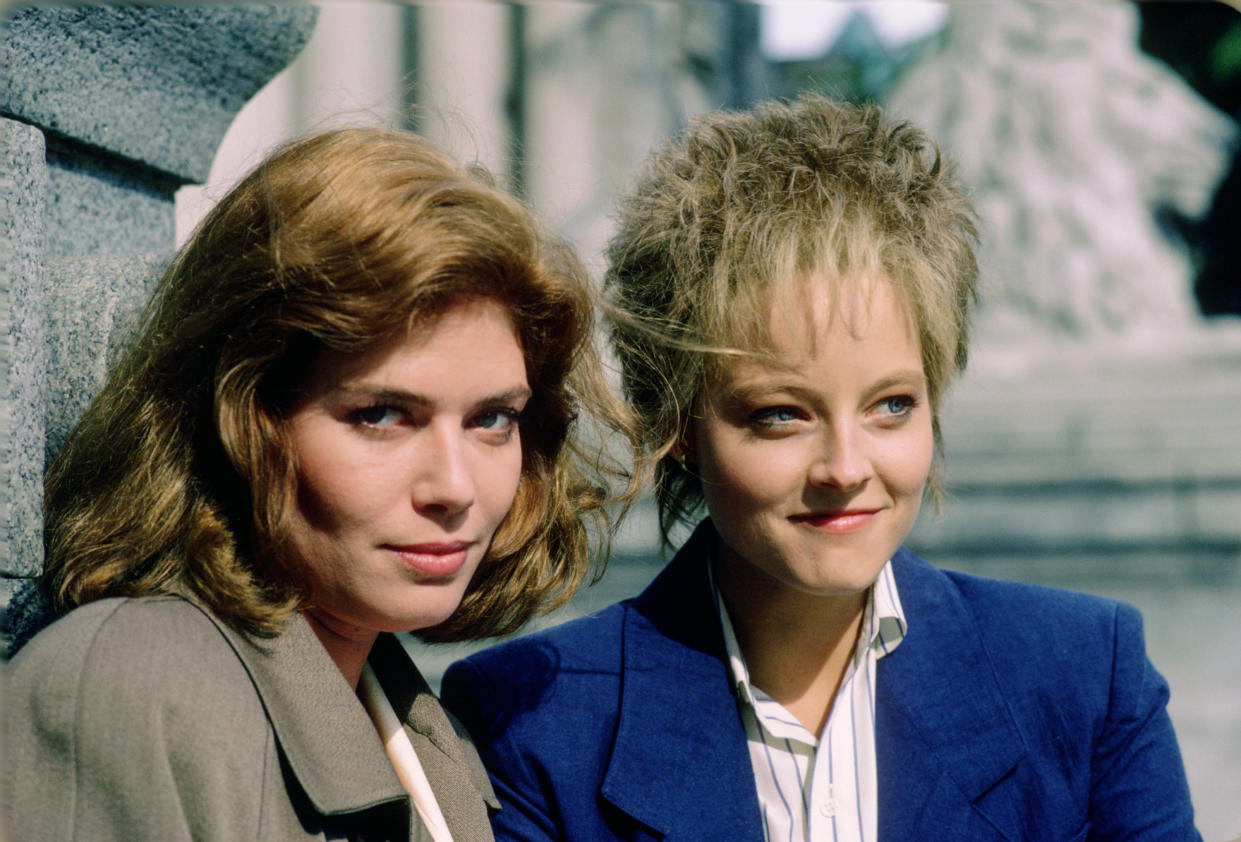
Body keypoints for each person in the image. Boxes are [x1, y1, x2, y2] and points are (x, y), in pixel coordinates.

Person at [439, 96, 1202, 840]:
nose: (845, 467)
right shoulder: (531, 720)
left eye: (891, 406)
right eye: (782, 415)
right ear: (676, 426)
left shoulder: (1081, 675)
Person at [2, 127, 632, 841]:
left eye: (493, 419)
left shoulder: (422, 727)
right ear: (242, 420)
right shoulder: (135, 685)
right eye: (383, 415)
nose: (454, 489)